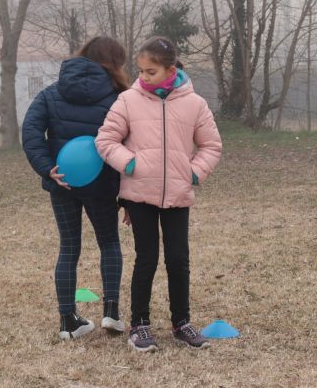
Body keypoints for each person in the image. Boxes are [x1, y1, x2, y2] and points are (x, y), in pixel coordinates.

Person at [96, 36, 222, 352]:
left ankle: (182, 323)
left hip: (178, 194)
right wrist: (130, 164)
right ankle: (140, 325)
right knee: (147, 258)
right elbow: (105, 140)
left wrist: (194, 172)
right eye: (140, 70)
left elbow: (211, 145)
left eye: (150, 71)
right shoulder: (128, 100)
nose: (143, 77)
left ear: (170, 70)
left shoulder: (195, 104)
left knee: (178, 260)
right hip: (139, 195)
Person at [22, 36, 130, 341]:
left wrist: (47, 168)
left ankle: (68, 321)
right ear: (114, 63)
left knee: (69, 248)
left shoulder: (51, 92)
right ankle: (111, 312)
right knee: (109, 243)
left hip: (63, 182)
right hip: (102, 183)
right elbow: (132, 141)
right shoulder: (120, 97)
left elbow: (30, 131)